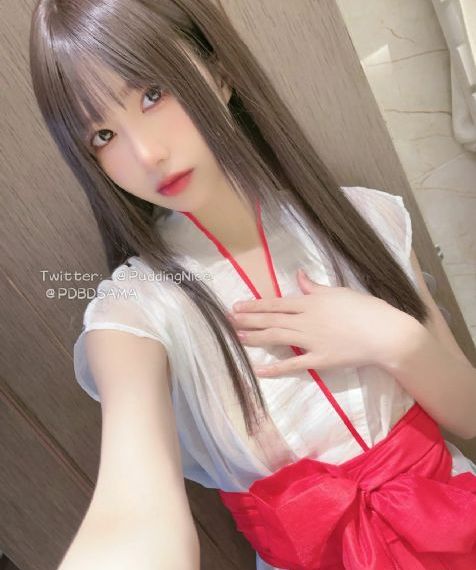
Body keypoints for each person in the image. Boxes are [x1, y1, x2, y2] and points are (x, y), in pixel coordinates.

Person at [29, 0, 476, 569]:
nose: (147, 154)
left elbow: (469, 414)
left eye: (152, 93)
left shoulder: (368, 219)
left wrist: (395, 339)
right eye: (103, 134)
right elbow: (133, 512)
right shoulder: (133, 312)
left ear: (218, 73)